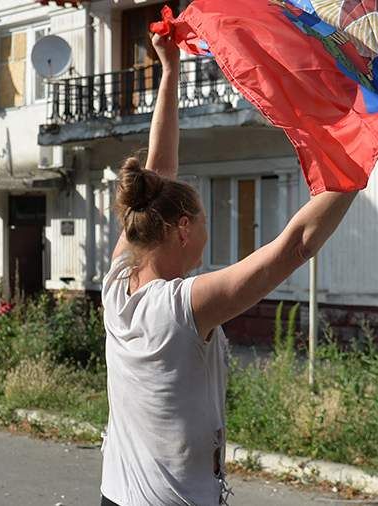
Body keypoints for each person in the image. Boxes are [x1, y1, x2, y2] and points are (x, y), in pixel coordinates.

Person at [99, 33, 358, 506]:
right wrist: (361, 151)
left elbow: (160, 168)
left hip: (116, 496)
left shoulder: (117, 282)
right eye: (202, 221)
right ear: (181, 229)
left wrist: (171, 71)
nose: (205, 232)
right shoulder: (182, 306)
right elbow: (295, 246)